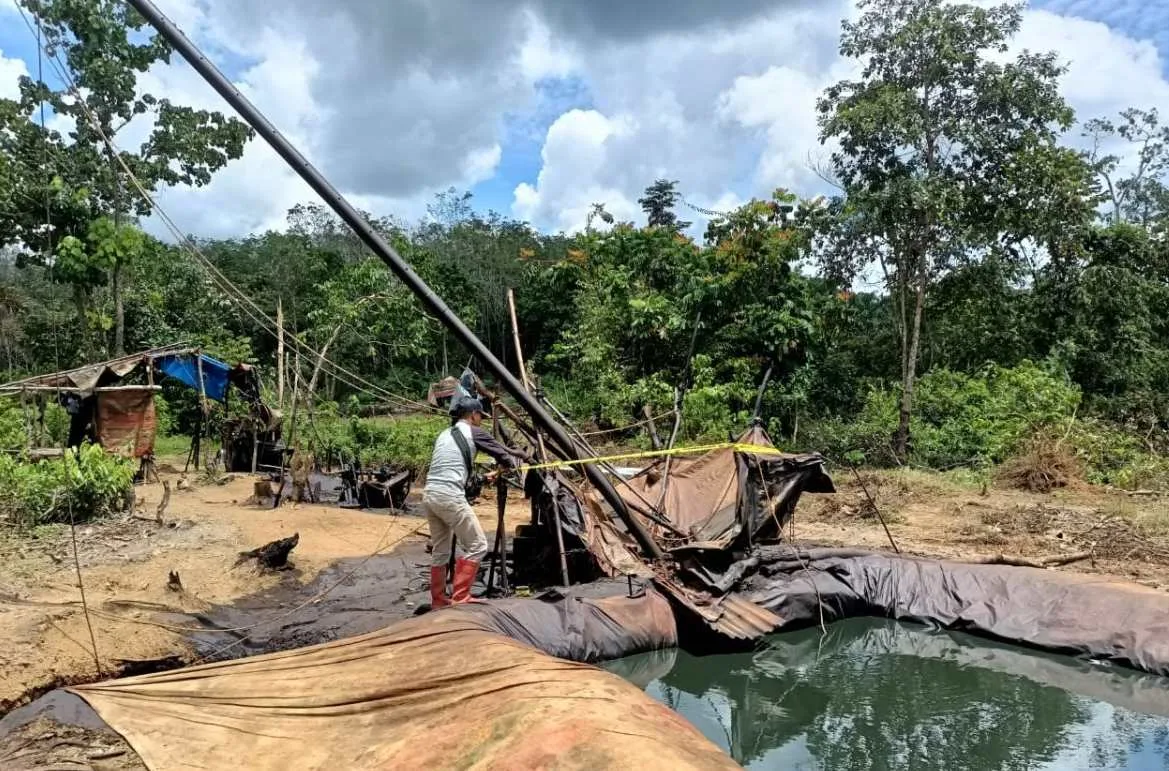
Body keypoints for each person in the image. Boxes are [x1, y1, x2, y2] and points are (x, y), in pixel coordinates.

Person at [424, 397, 524, 608]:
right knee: (478, 545)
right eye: (480, 416)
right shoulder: (473, 432)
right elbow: (505, 457)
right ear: (473, 415)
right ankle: (461, 597)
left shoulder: (445, 434)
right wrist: (506, 467)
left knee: (441, 550)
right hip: (450, 495)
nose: (481, 420)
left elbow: (452, 466)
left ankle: (439, 600)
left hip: (431, 494)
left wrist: (483, 478)